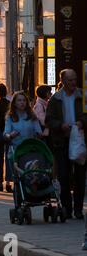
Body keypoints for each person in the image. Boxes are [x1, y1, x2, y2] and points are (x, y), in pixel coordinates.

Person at [46, 69, 87, 220]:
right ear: (62, 80)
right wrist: (60, 125)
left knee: (80, 176)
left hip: (79, 141)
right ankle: (67, 208)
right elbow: (48, 120)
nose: (73, 83)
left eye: (75, 79)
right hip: (62, 141)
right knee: (64, 176)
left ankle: (78, 209)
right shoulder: (56, 98)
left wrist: (82, 122)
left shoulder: (82, 95)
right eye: (70, 80)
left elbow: (86, 114)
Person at [4, 92, 42, 199]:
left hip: (30, 150)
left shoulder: (31, 116)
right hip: (16, 150)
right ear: (14, 103)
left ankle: (33, 191)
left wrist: (40, 133)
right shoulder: (10, 117)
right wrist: (10, 135)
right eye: (19, 100)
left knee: (33, 171)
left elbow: (38, 131)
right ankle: (20, 196)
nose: (22, 103)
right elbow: (5, 133)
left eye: (24, 100)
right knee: (18, 177)